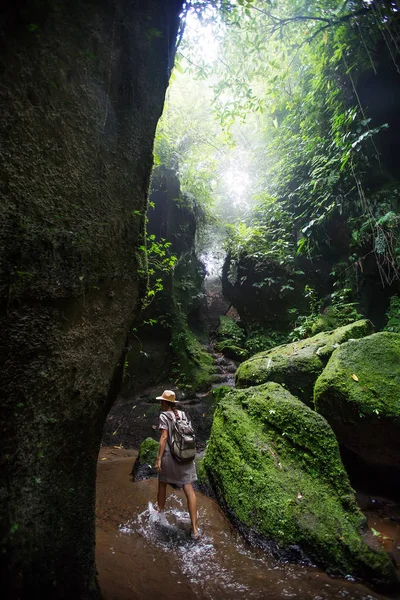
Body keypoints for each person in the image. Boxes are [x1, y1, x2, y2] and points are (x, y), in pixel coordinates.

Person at [154, 389, 199, 539]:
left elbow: (164, 437)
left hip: (170, 457)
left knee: (162, 484)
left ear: (163, 402)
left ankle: (160, 515)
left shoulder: (164, 416)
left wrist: (158, 458)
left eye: (161, 401)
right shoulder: (183, 415)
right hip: (185, 456)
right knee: (189, 489)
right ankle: (194, 529)